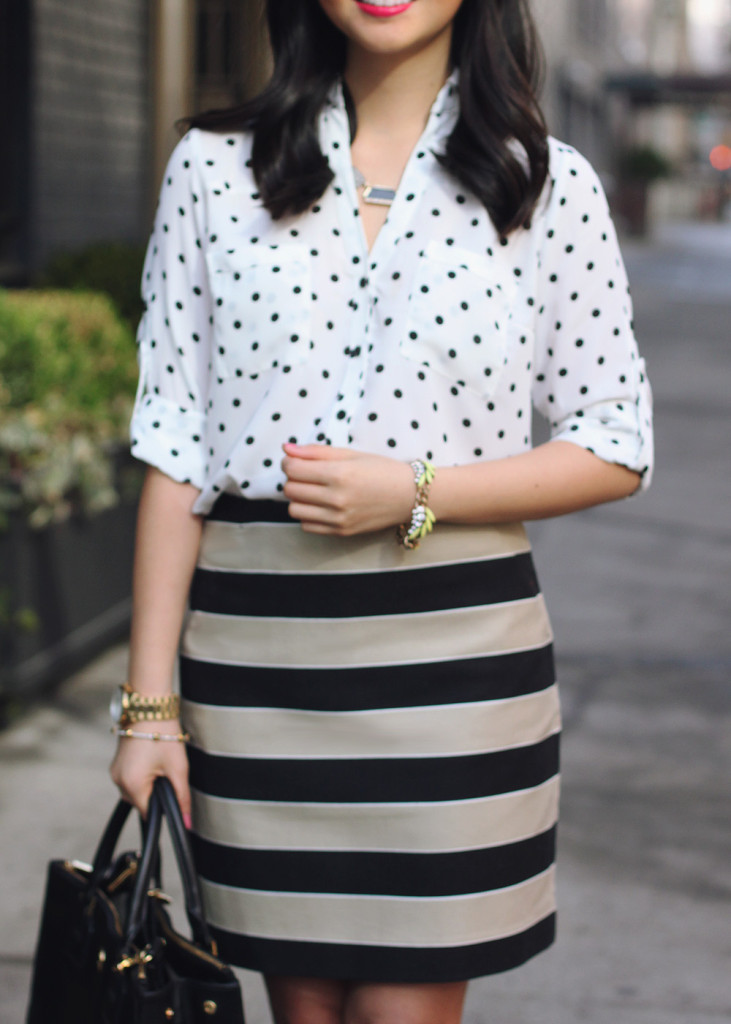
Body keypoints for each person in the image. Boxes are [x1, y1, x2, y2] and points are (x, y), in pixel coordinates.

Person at [111, 1, 653, 1022]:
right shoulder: (213, 171)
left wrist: (414, 490)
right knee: (301, 1007)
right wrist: (150, 712)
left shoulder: (548, 184)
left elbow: (615, 440)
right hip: (254, 672)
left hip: (454, 673)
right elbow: (172, 446)